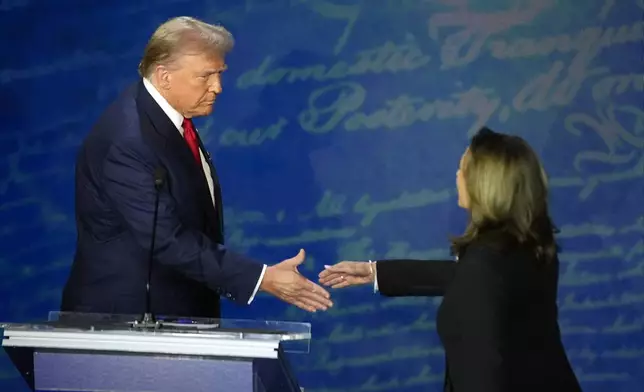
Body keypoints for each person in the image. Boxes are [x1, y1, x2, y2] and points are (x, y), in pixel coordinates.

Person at [61, 16, 332, 319]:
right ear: (164, 76)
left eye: (219, 74)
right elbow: (167, 239)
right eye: (206, 76)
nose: (217, 87)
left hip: (173, 315)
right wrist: (261, 278)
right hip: (127, 325)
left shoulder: (168, 118)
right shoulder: (128, 140)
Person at [319, 127, 581, 392]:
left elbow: (482, 376)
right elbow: (471, 277)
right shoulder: (529, 247)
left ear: (484, 184)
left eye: (463, 169)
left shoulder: (484, 266)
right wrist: (375, 272)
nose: (457, 176)